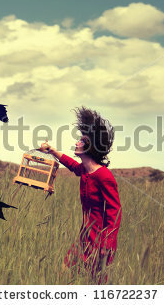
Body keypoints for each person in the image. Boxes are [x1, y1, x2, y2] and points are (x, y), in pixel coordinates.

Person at [39, 106, 122, 282]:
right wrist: (52, 151)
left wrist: (107, 245)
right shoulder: (85, 171)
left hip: (100, 241)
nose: (76, 142)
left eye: (81, 140)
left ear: (90, 146)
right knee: (64, 271)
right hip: (84, 235)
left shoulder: (104, 176)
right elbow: (72, 165)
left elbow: (115, 211)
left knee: (96, 282)